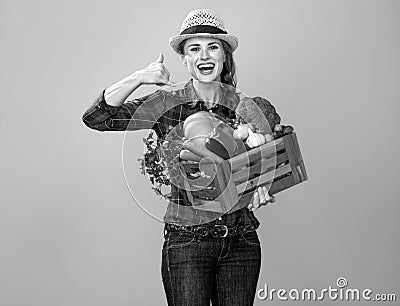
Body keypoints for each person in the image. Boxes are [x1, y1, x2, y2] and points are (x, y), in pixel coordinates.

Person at [82, 8, 278, 306]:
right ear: (184, 58)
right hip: (188, 244)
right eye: (194, 49)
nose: (204, 56)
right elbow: (98, 118)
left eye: (213, 47)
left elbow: (265, 162)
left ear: (225, 56)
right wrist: (140, 77)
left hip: (241, 241)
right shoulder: (167, 104)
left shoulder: (247, 108)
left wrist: (262, 187)